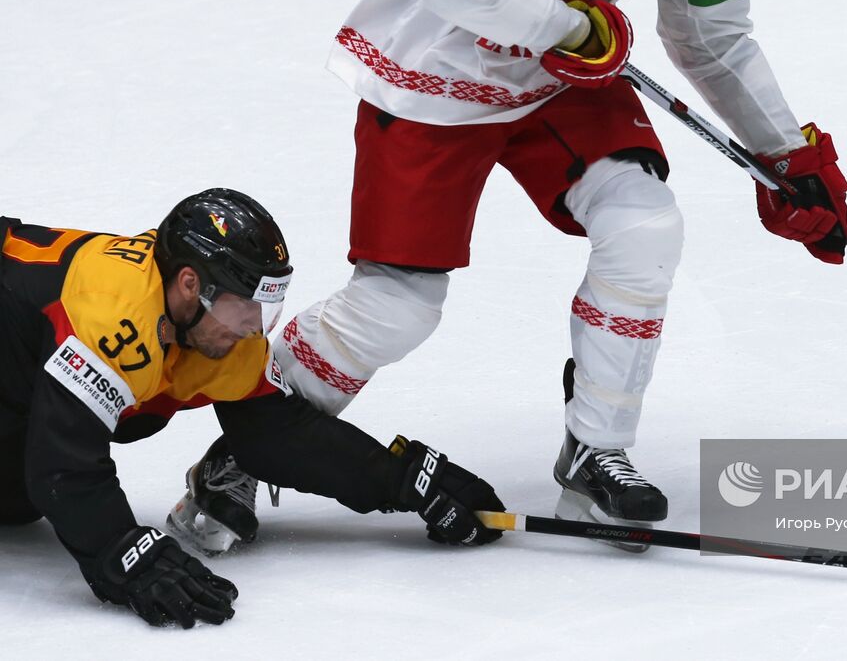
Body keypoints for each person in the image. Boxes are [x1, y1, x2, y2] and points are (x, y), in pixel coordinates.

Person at [176, 0, 847, 551]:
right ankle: (245, 446)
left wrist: (783, 150)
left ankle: (597, 451)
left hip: (559, 78)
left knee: (645, 226)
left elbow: (713, 36)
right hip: (441, 72)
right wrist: (572, 31)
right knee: (397, 308)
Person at [0, 190, 505, 628]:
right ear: (191, 284)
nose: (253, 326)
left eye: (266, 304)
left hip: (16, 378)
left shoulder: (217, 332)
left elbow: (279, 436)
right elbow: (62, 463)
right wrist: (122, 552)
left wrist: (402, 479)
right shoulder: (113, 317)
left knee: (17, 499)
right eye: (246, 305)